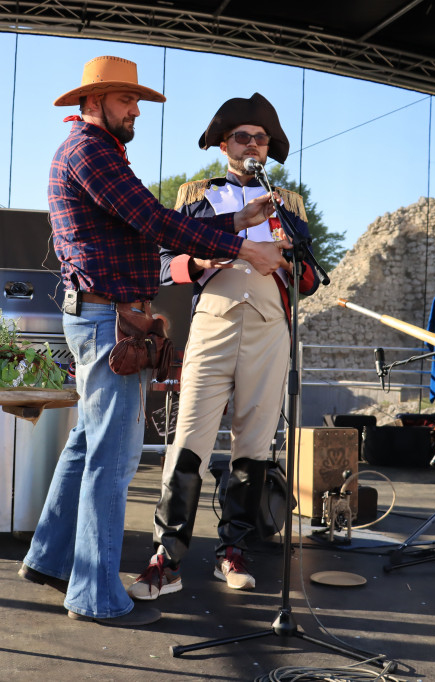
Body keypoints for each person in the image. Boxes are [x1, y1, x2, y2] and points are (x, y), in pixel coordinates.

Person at [17, 57, 291, 627]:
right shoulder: (90, 152)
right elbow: (155, 223)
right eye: (127, 100)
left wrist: (239, 224)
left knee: (86, 446)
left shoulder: (95, 152)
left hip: (105, 316)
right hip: (107, 320)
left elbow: (152, 225)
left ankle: (48, 559)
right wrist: (244, 245)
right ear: (94, 101)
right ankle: (93, 592)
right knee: (112, 462)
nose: (136, 110)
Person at [129, 93, 318, 601]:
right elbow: (163, 263)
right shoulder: (198, 201)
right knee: (188, 437)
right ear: (223, 144)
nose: (252, 144)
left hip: (270, 328)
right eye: (243, 137)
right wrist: (201, 264)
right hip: (212, 325)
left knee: (254, 446)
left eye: (260, 138)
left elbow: (311, 278)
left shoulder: (286, 207)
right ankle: (166, 558)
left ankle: (232, 551)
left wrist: (285, 261)